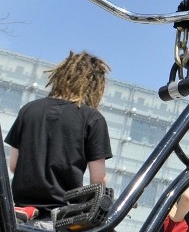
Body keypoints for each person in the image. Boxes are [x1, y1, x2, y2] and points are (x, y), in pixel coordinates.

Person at [5, 51, 112, 222]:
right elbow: (98, 179)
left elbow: (13, 165)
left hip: (18, 217)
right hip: (60, 220)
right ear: (93, 85)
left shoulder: (28, 110)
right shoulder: (92, 118)